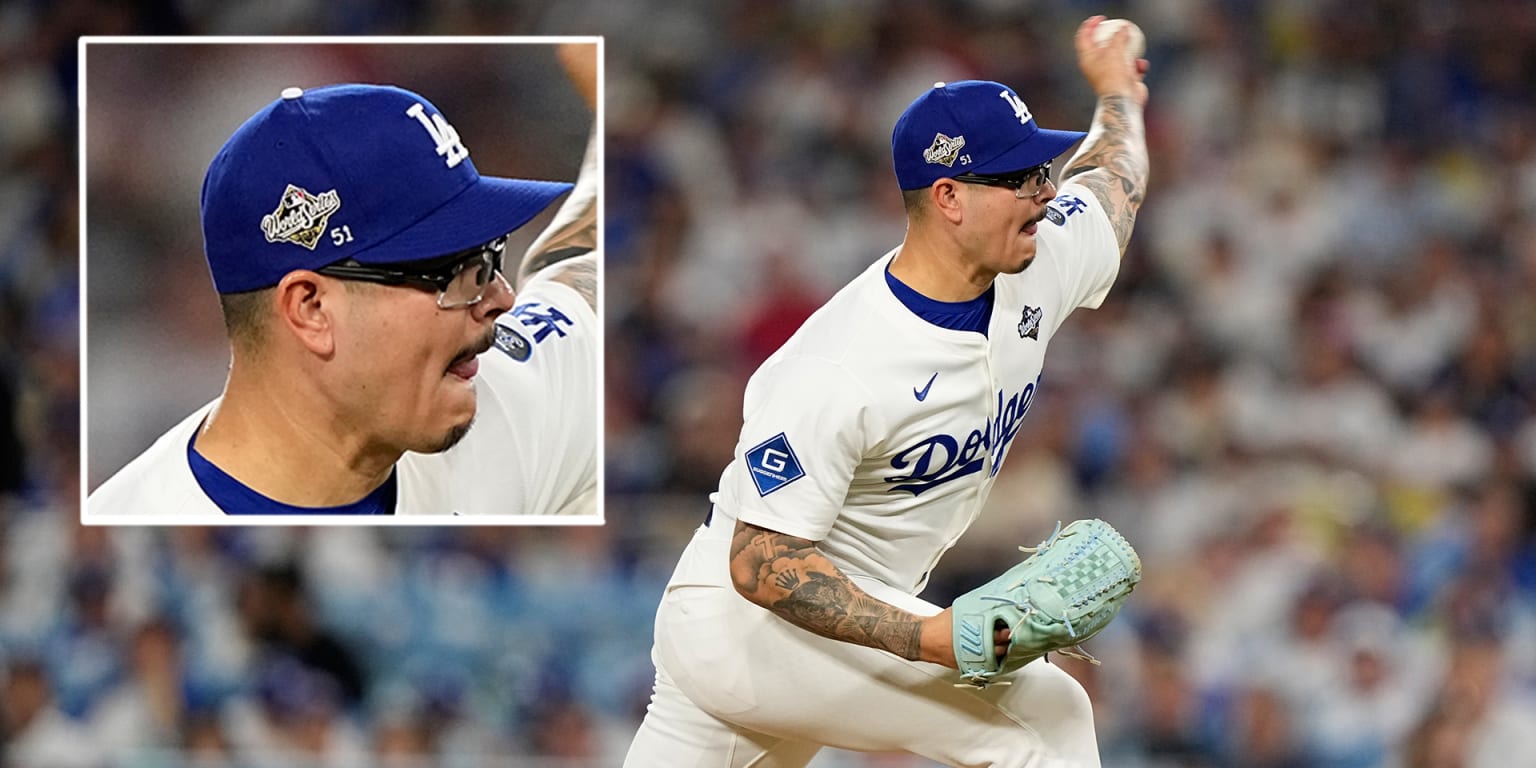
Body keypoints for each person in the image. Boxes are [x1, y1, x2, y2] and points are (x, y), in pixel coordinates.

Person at [624, 16, 1149, 767]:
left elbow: (1110, 186)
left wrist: (1117, 92)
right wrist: (929, 638)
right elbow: (761, 561)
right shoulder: (844, 361)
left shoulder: (1040, 258)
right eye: (1017, 178)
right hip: (749, 628)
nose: (1042, 192)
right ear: (948, 197)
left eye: (1041, 172)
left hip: (821, 636)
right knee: (1047, 718)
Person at [87, 72, 598, 517]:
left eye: (491, 255)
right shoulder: (135, 522)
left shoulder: (502, 400)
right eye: (455, 272)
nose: (501, 298)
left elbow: (581, 275)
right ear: (310, 308)